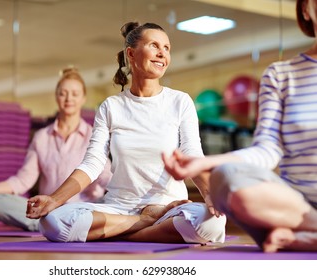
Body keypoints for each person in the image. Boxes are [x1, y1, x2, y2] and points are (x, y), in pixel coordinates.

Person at [26, 22, 226, 244]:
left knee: (212, 222)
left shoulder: (180, 102)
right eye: (154, 45)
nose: (163, 53)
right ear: (131, 54)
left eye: (167, 48)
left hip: (168, 207)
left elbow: (192, 156)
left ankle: (124, 232)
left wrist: (210, 195)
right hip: (118, 208)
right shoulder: (111, 106)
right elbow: (92, 164)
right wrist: (54, 200)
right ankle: (144, 223)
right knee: (52, 222)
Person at [162, 0, 317, 252]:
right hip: (292, 206)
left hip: (292, 220)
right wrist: (207, 163)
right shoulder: (280, 74)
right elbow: (267, 151)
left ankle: (304, 238)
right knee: (225, 178)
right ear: (305, 8)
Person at [0, 68, 112, 231]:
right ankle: (50, 225)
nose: (69, 98)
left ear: (83, 98)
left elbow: (106, 176)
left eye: (75, 94)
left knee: (110, 204)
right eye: (63, 93)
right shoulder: (42, 137)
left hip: (82, 209)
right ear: (56, 96)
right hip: (49, 210)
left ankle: (56, 226)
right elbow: (22, 181)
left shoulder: (93, 135)